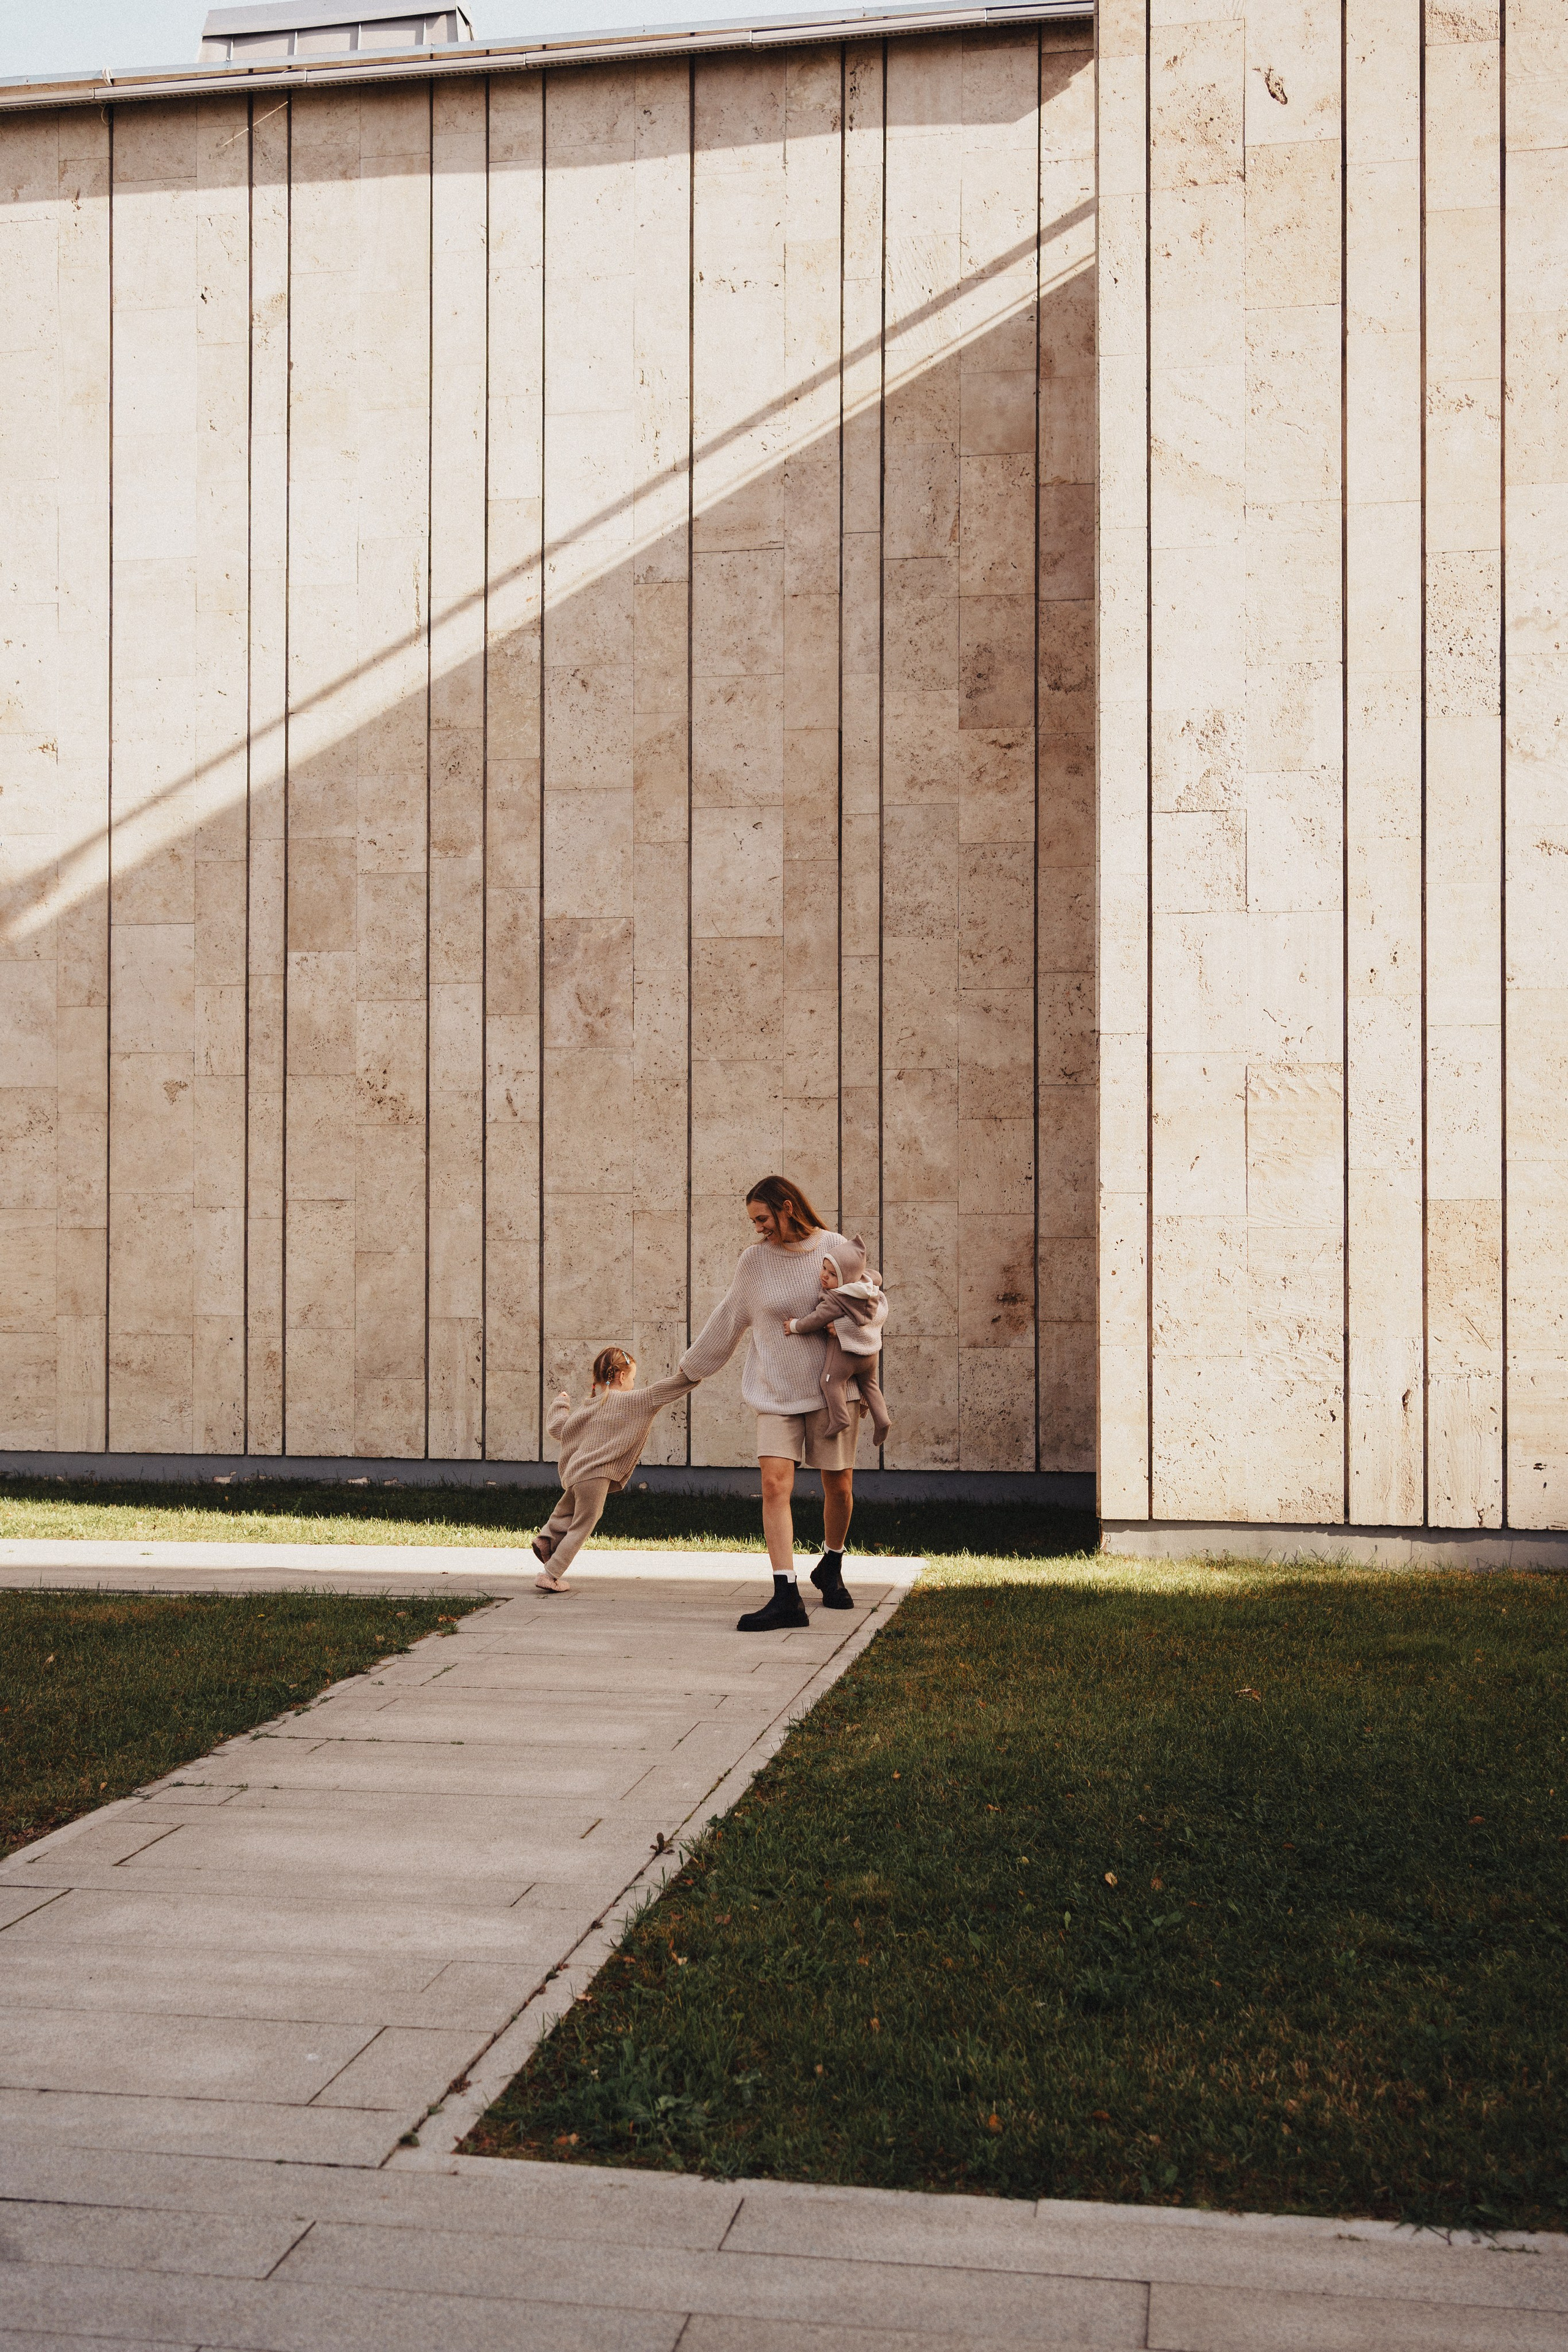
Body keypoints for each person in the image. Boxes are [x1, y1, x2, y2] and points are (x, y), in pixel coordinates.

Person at [679, 1175, 869, 1632]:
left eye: (762, 1218)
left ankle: (832, 1565)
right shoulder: (754, 1262)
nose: (758, 1228)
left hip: (833, 1392)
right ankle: (786, 1595)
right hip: (775, 1392)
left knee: (839, 1486)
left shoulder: (835, 1246)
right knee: (773, 1485)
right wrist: (688, 1372)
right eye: (753, 1221)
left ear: (787, 1207)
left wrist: (841, 1331)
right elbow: (729, 1318)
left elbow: (870, 1308)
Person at [533, 1347, 696, 1594]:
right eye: (632, 1379)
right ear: (621, 1376)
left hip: (577, 1474)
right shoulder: (636, 1400)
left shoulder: (589, 1407)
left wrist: (561, 1403)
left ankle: (547, 1539)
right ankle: (551, 1574)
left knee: (565, 1512)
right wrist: (690, 1374)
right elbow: (669, 1389)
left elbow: (559, 1428)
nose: (633, 1384)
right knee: (583, 1524)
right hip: (597, 1475)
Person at [783, 1234, 891, 1445]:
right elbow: (876, 1275)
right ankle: (883, 1420)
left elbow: (815, 1321)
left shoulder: (835, 1298)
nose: (824, 1276)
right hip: (869, 1354)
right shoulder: (867, 1284)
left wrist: (794, 1325)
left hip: (846, 1355)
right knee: (870, 1385)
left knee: (830, 1382)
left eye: (832, 1274)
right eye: (824, 1268)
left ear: (845, 1279)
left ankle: (840, 1418)